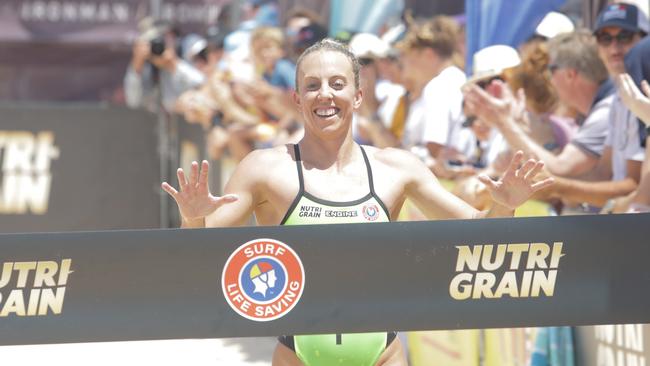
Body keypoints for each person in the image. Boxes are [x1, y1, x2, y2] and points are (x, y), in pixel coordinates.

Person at [161, 39, 553, 366]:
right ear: (297, 98)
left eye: (337, 83)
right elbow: (200, 253)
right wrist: (193, 218)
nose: (325, 94)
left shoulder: (396, 168)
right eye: (312, 85)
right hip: (298, 357)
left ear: (359, 95)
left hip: (383, 356)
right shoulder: (265, 168)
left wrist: (506, 206)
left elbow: (480, 234)